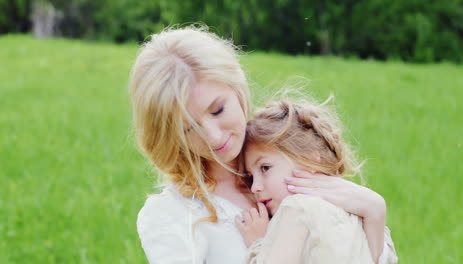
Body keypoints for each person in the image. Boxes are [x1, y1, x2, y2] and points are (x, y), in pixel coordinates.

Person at [129, 25, 395, 264]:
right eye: (188, 128)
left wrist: (374, 212)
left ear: (237, 88)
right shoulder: (173, 214)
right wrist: (267, 245)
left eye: (218, 109)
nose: (213, 137)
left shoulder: (287, 165)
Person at [235, 99, 398, 263]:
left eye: (265, 168)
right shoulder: (356, 217)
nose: (255, 187)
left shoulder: (296, 208)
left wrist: (259, 243)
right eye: (250, 177)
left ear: (309, 160)